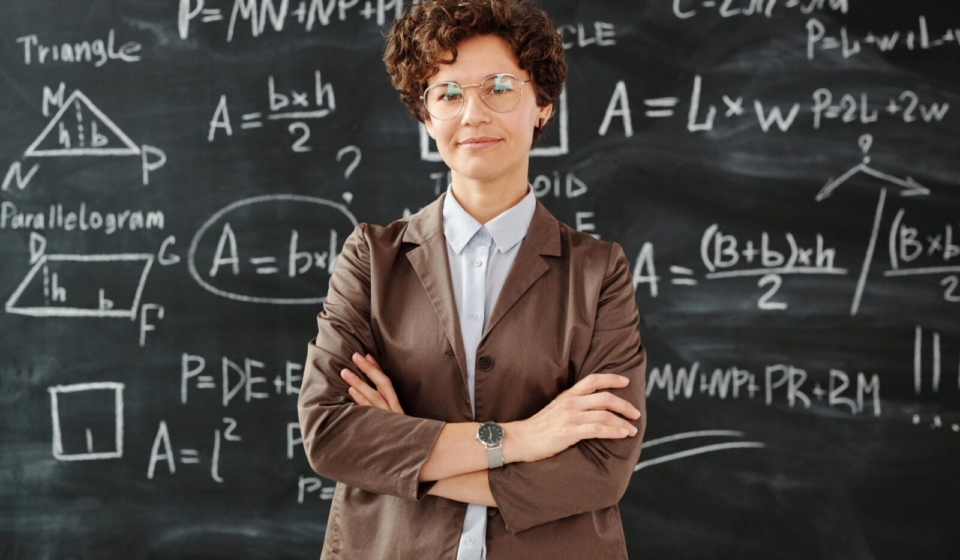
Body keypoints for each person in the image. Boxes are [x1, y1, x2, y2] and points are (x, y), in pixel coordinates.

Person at [296, 1, 648, 558]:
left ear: (542, 104)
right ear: (426, 114)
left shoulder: (598, 271)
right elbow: (331, 433)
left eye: (500, 87)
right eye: (449, 93)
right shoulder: (371, 258)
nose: (473, 114)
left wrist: (410, 456)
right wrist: (524, 439)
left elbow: (601, 467)